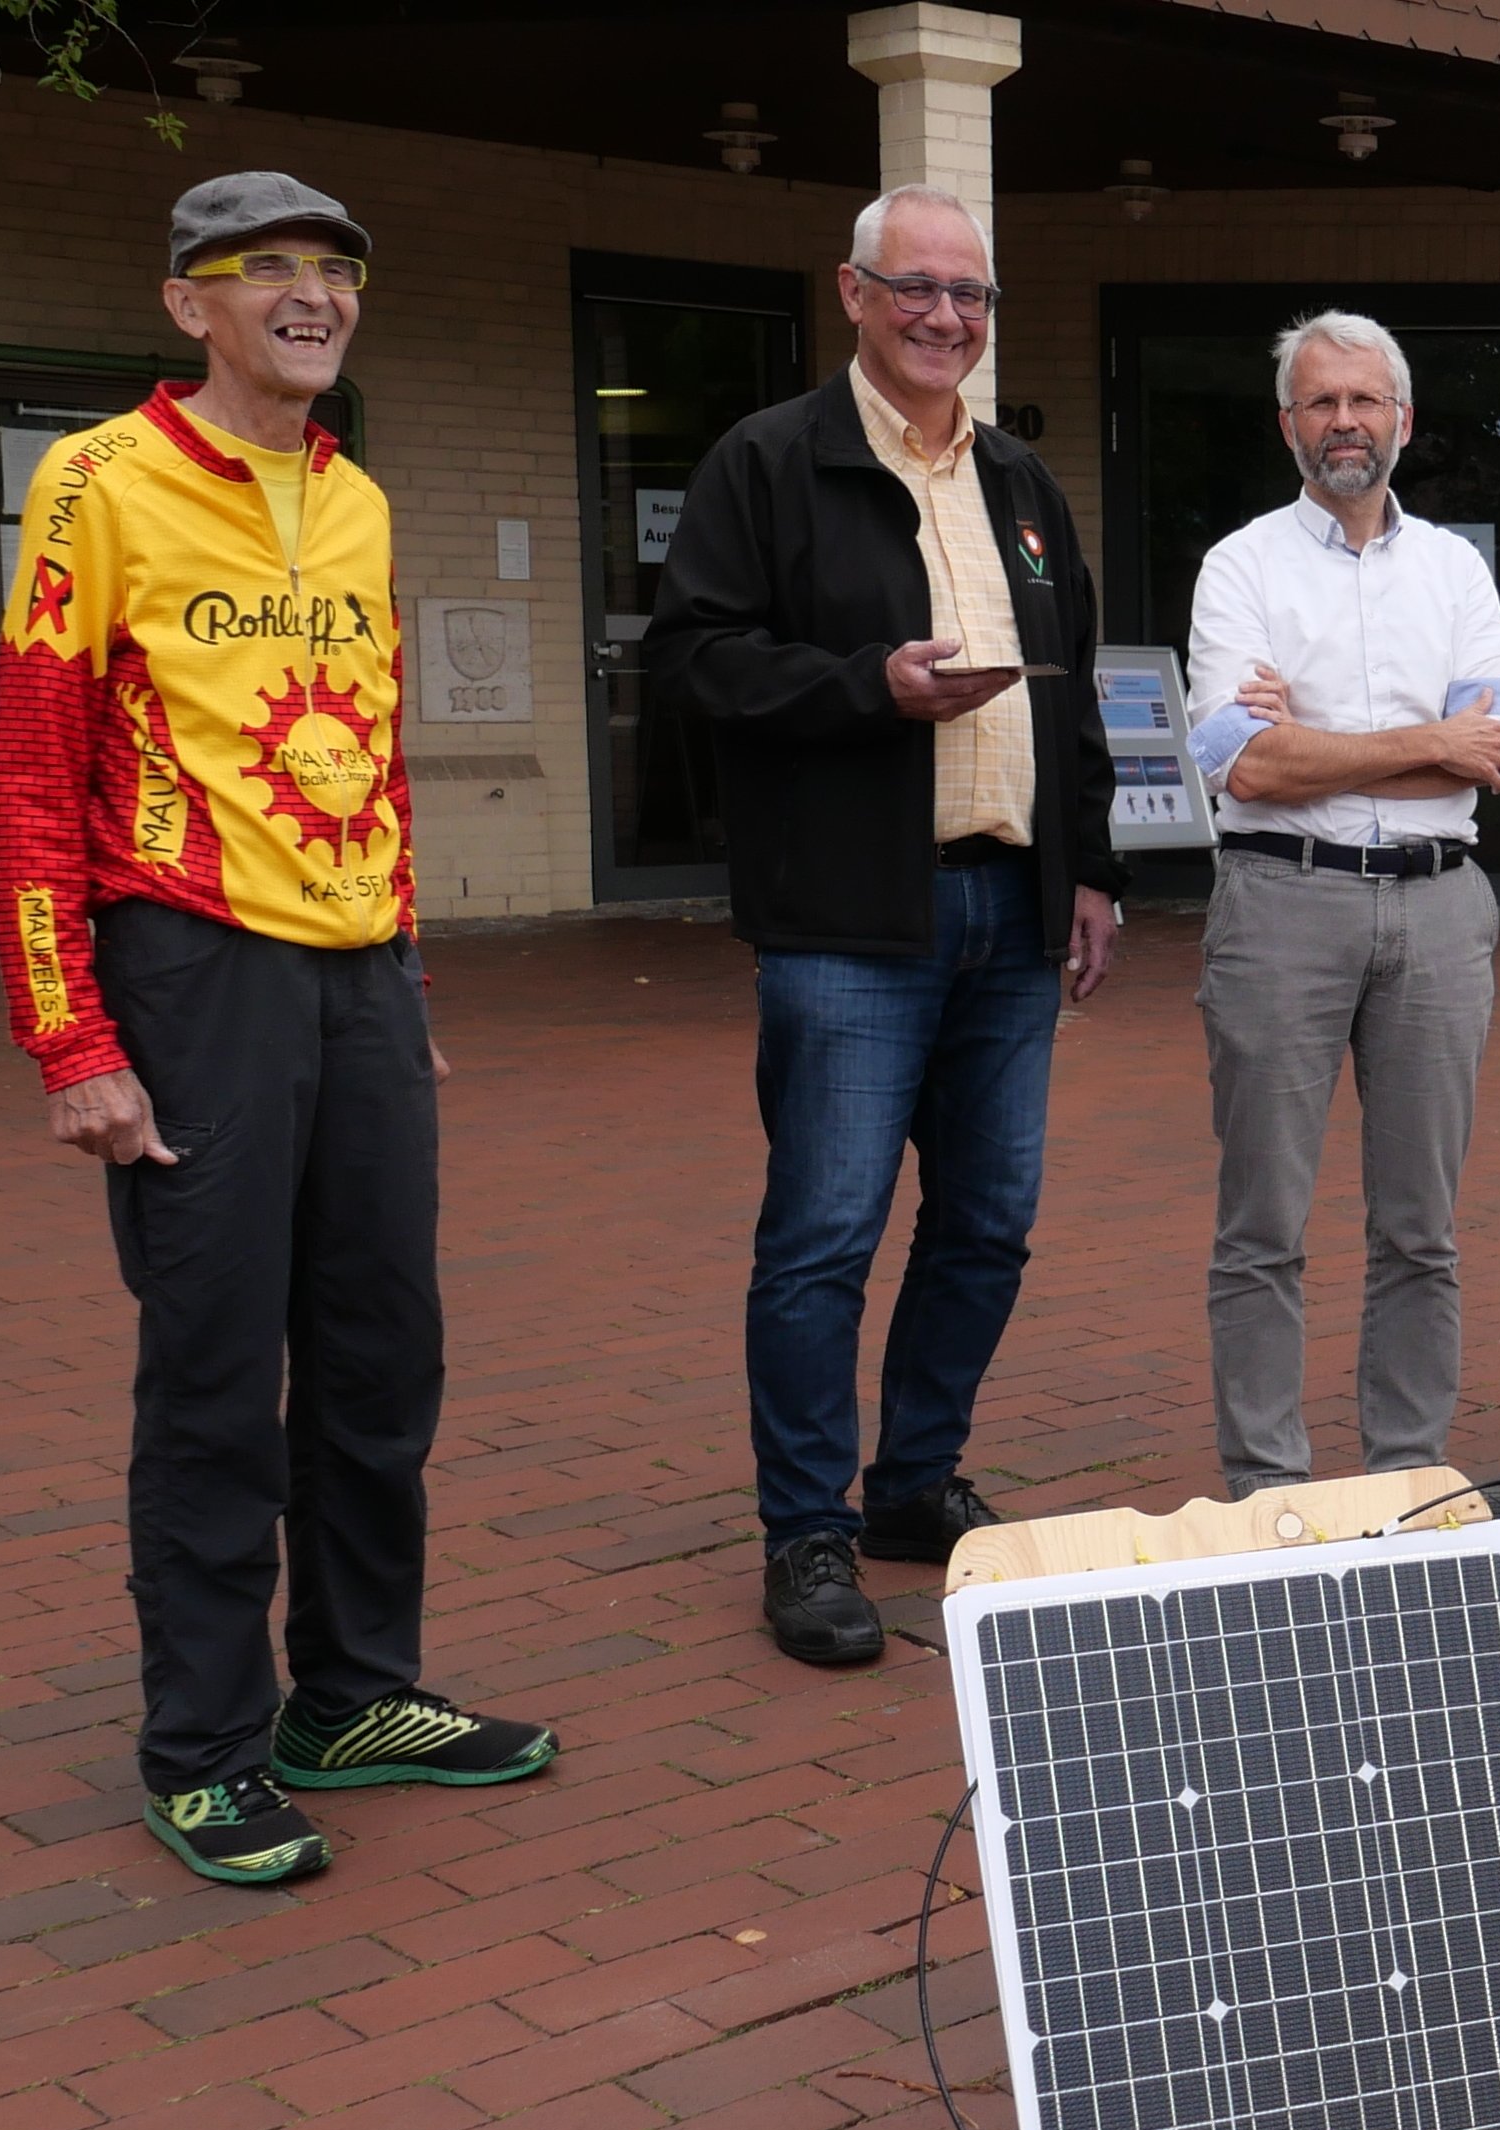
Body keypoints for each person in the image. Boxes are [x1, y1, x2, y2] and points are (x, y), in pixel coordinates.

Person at [0, 171, 551, 1888]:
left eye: (335, 272)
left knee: (384, 1355)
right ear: (189, 303)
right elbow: (29, 774)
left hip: (358, 980)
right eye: (269, 270)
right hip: (192, 966)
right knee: (220, 1375)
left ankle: (353, 1695)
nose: (314, 295)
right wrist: (72, 1044)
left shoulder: (359, 501)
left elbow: (364, 762)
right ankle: (209, 1746)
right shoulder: (95, 483)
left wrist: (407, 985)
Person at [650, 186, 1127, 1667]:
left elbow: (1077, 696)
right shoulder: (771, 462)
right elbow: (694, 661)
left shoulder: (1024, 484)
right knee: (824, 1237)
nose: (944, 318)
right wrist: (872, 685)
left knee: (988, 1223)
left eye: (969, 296)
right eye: (914, 289)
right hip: (851, 922)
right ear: (851, 294)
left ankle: (915, 1481)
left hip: (1009, 905)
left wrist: (1091, 872)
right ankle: (806, 1529)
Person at [1181, 311, 1500, 1495]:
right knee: (1260, 1228)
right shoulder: (1239, 567)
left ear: (1402, 420)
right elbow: (1243, 764)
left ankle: (1404, 1476)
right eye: (1321, 402)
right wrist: (1429, 738)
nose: (1344, 422)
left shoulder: (1454, 569)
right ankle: (1267, 1489)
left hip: (1439, 914)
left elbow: (1499, 742)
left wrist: (1321, 738)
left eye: (1364, 400)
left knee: (1419, 1231)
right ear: (1288, 424)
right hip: (1282, 906)